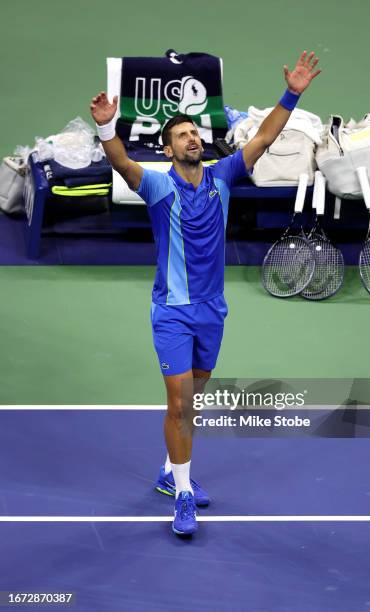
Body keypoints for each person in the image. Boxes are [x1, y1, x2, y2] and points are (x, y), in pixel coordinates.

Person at [90, 50, 321, 536]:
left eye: (195, 132)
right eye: (182, 135)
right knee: (177, 404)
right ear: (168, 149)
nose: (192, 137)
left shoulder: (222, 176)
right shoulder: (155, 186)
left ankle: (169, 471)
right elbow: (120, 162)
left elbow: (265, 136)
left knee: (192, 403)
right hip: (172, 312)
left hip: (213, 311)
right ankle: (184, 493)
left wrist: (293, 93)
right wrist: (108, 128)